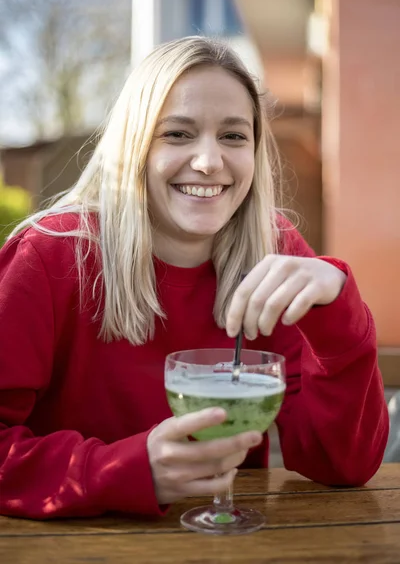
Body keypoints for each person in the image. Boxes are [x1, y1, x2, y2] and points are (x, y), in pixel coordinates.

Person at [0, 36, 388, 520]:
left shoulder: (274, 251)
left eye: (233, 136)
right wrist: (119, 470)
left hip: (229, 540)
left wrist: (338, 314)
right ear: (133, 147)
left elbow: (341, 464)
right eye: (178, 134)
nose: (209, 162)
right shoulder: (50, 255)